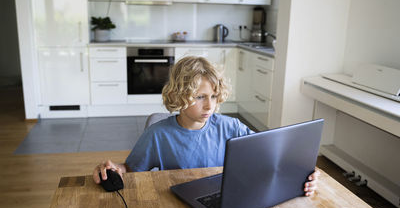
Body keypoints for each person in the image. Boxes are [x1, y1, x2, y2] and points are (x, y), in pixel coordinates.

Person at [93, 56, 320, 196]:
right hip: (175, 205)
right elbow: (131, 171)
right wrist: (114, 171)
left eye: (213, 96)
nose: (210, 105)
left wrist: (302, 172)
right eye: (200, 97)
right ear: (179, 95)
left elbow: (269, 154)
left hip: (225, 199)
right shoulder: (158, 136)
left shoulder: (232, 127)